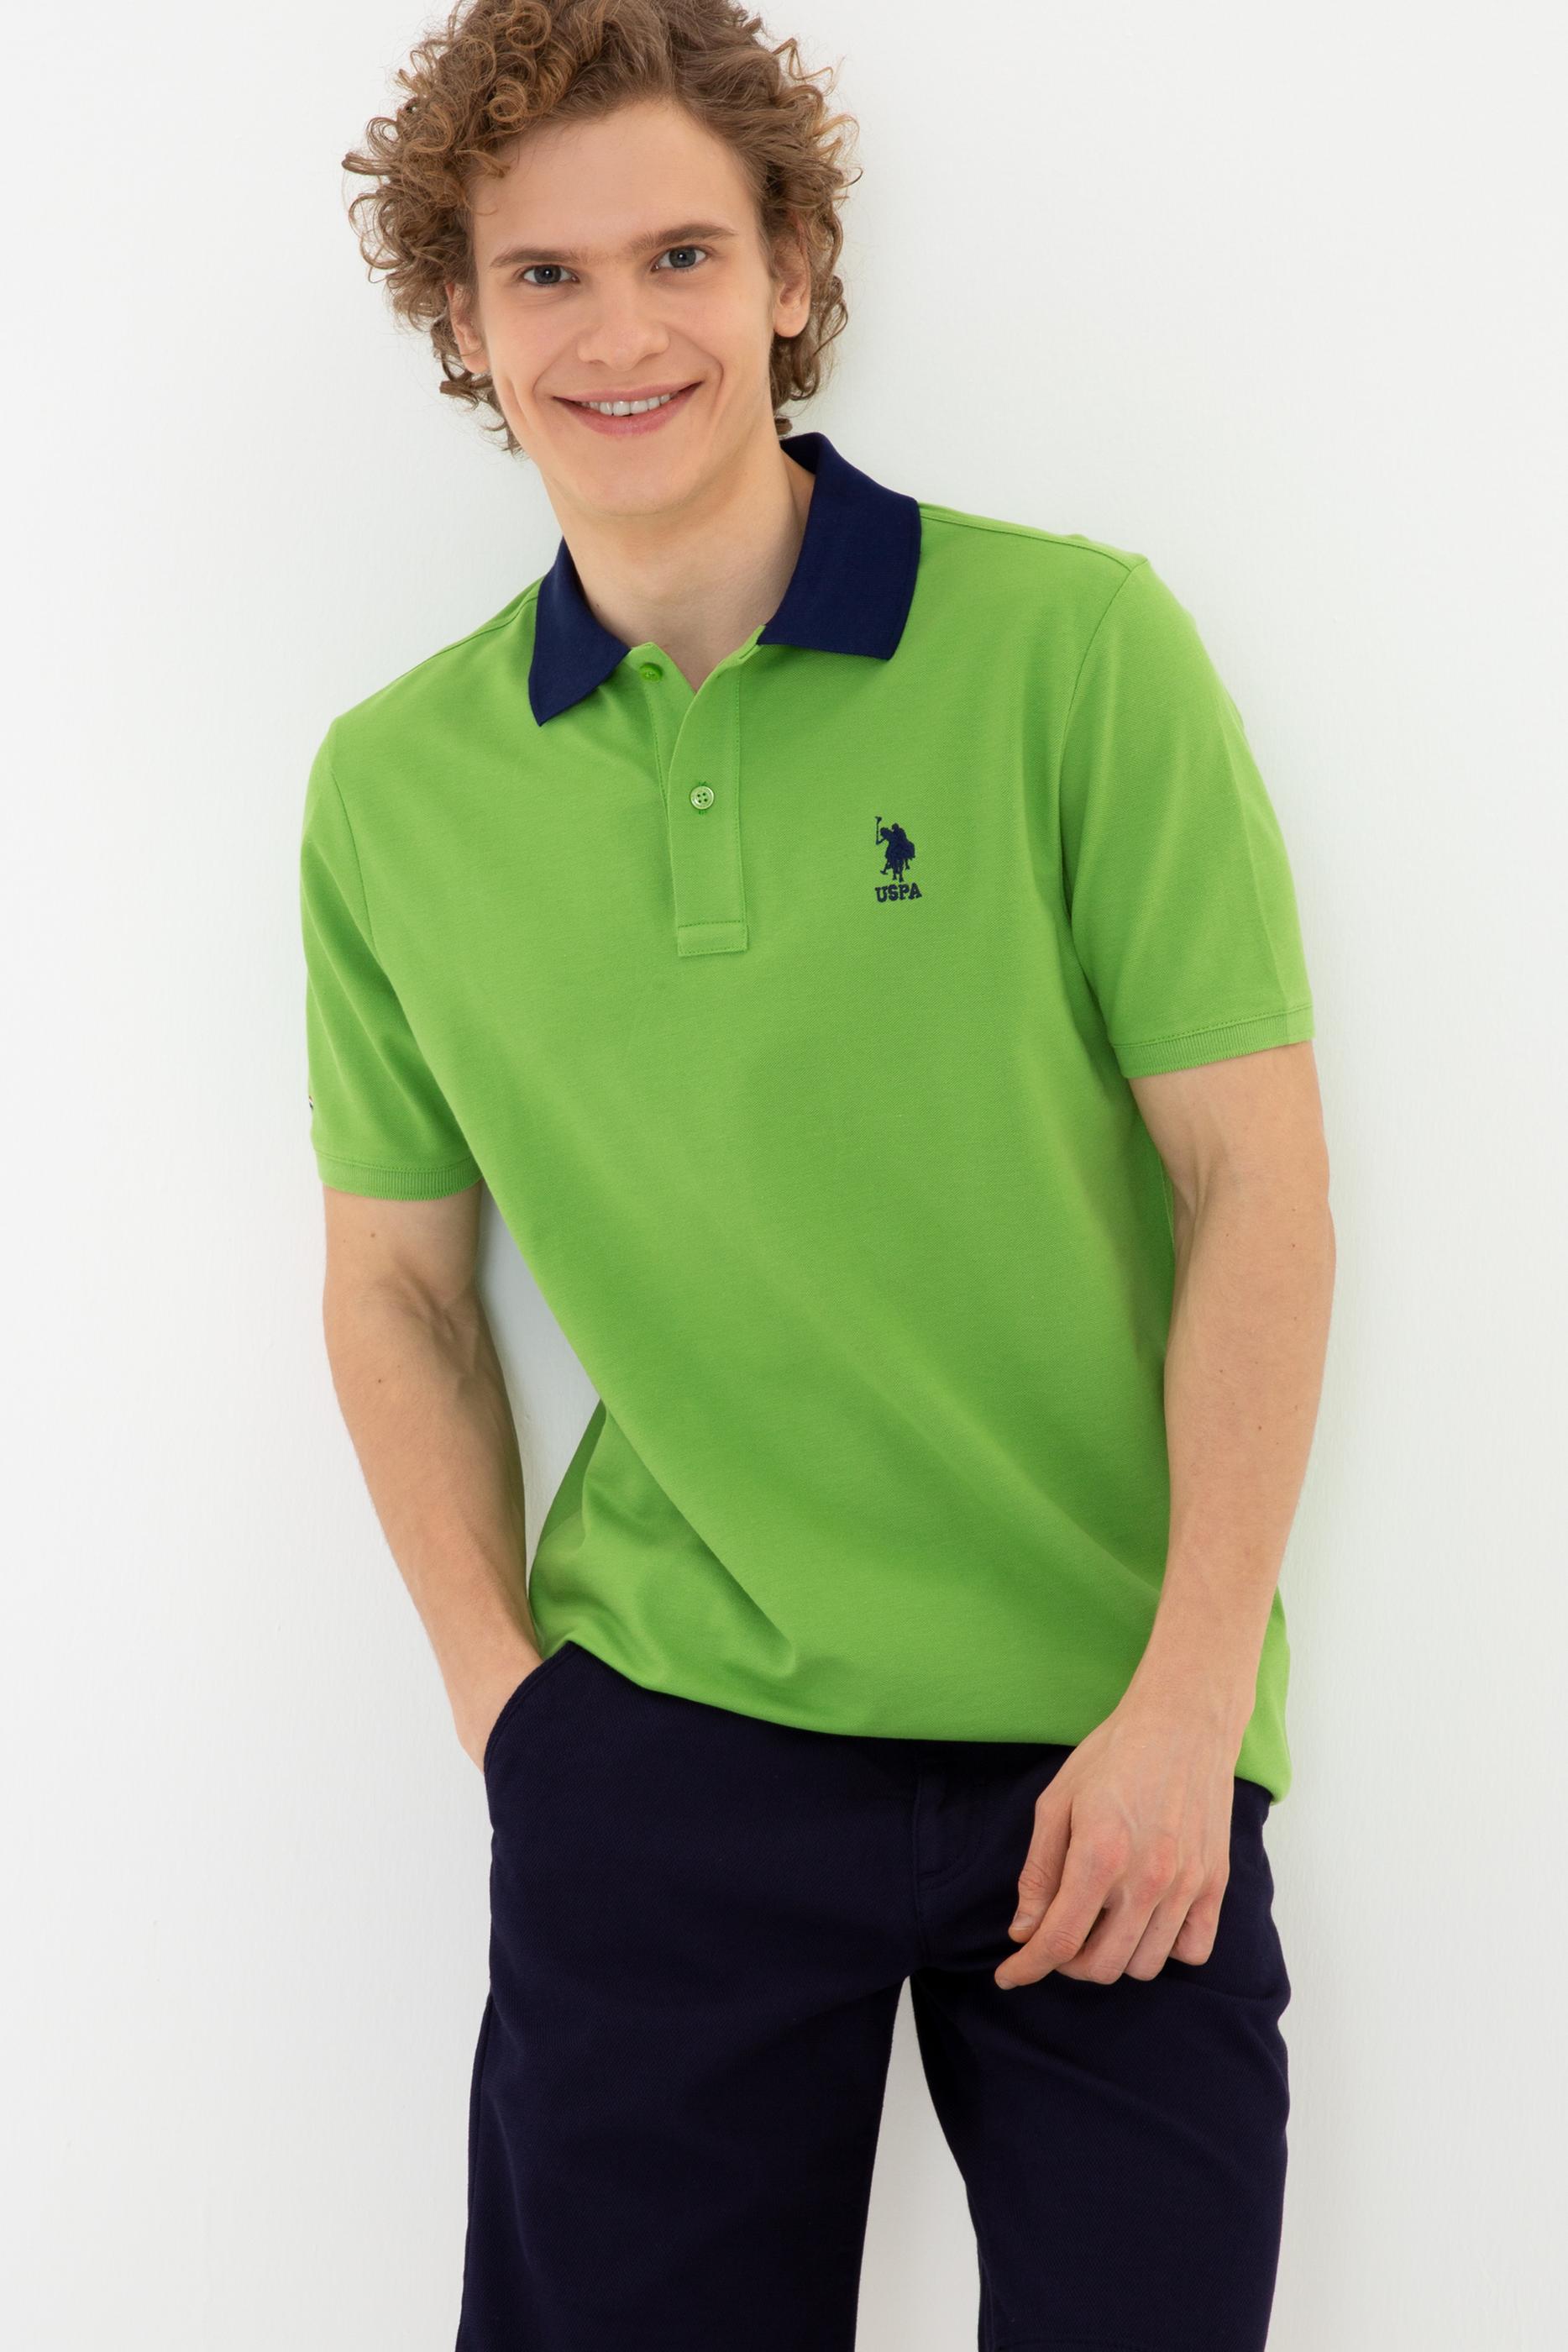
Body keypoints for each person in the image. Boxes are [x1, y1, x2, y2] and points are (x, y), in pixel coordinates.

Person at [298, 3, 1335, 2345]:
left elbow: (1256, 1187)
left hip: (1105, 1756)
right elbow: (396, 1287)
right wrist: (510, 1715)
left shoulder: (1075, 652)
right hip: (662, 1759)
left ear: (789, 270)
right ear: (462, 320)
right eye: (544, 274)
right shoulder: (393, 787)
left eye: (679, 252)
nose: (620, 333)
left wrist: (1190, 1703)